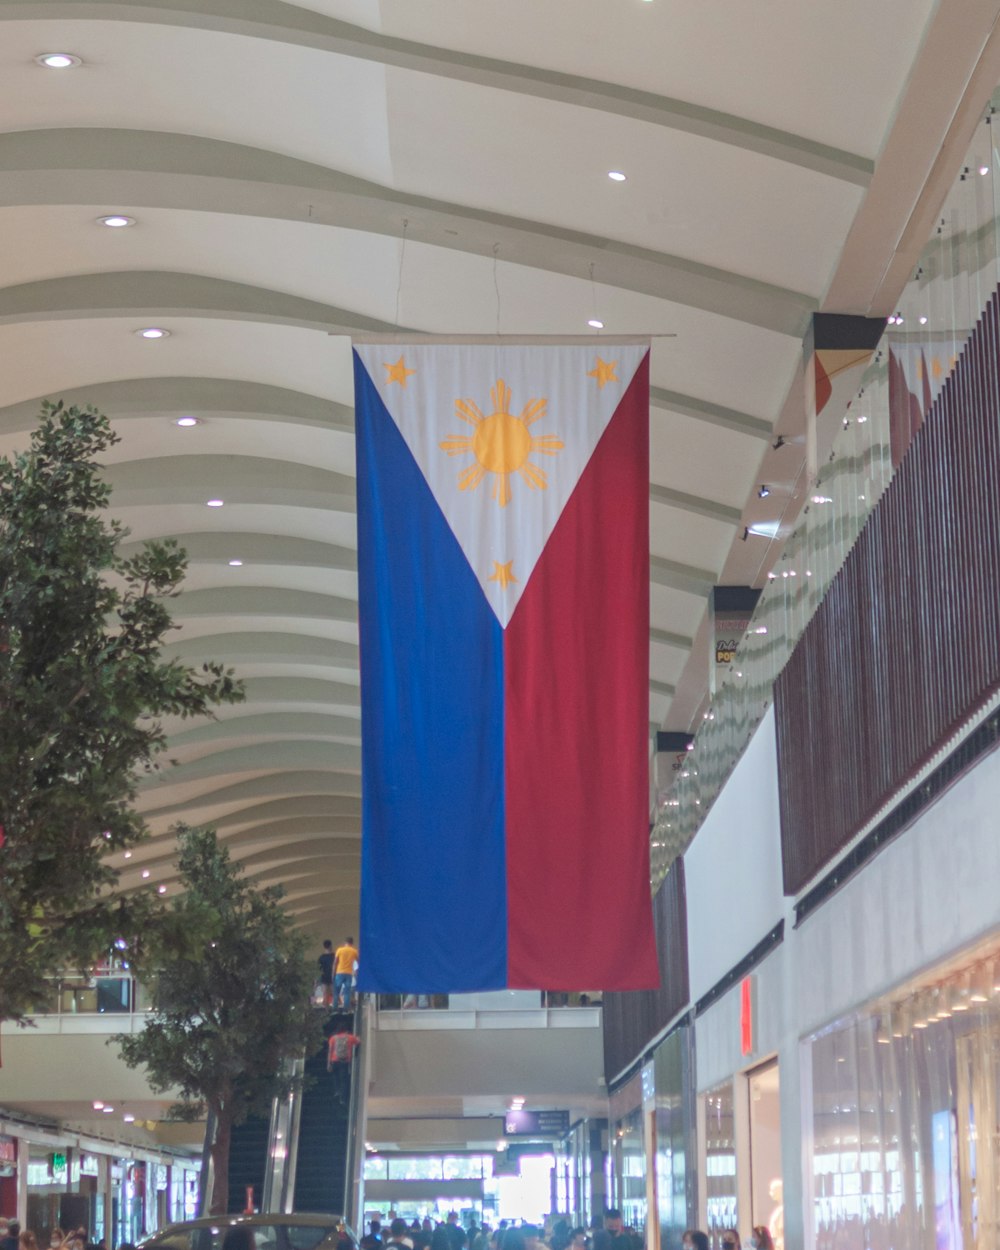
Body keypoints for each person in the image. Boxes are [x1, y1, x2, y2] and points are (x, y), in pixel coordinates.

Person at [326, 1023, 361, 1102]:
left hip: (334, 1060)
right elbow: (358, 1041)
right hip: (344, 1061)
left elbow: (330, 1051)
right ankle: (343, 1098)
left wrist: (328, 1064)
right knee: (344, 1080)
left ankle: (337, 1090)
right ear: (346, 1030)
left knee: (336, 1077)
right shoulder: (349, 1037)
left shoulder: (333, 1038)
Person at [334, 936, 359, 1009]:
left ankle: (335, 1008)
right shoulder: (354, 951)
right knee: (347, 993)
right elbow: (358, 961)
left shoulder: (339, 950)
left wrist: (333, 973)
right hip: (348, 973)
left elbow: (335, 962)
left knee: (336, 992)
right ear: (352, 943)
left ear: (345, 943)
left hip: (339, 972)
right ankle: (346, 1009)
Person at [318, 939, 335, 1008]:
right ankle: (337, 1009)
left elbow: (319, 969)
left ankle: (325, 1009)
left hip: (324, 977)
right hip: (332, 977)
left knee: (325, 994)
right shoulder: (334, 956)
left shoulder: (321, 958)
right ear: (331, 946)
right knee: (334, 994)